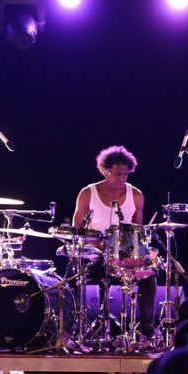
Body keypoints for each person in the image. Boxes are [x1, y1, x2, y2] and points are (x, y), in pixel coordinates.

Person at [72, 145, 156, 339]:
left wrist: (141, 252)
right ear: (104, 170)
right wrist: (98, 243)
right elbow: (77, 231)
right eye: (118, 174)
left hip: (123, 254)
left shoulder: (136, 195)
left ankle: (147, 332)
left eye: (126, 174)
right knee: (70, 276)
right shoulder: (87, 193)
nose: (122, 178)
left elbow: (137, 232)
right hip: (94, 252)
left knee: (149, 277)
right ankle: (71, 328)